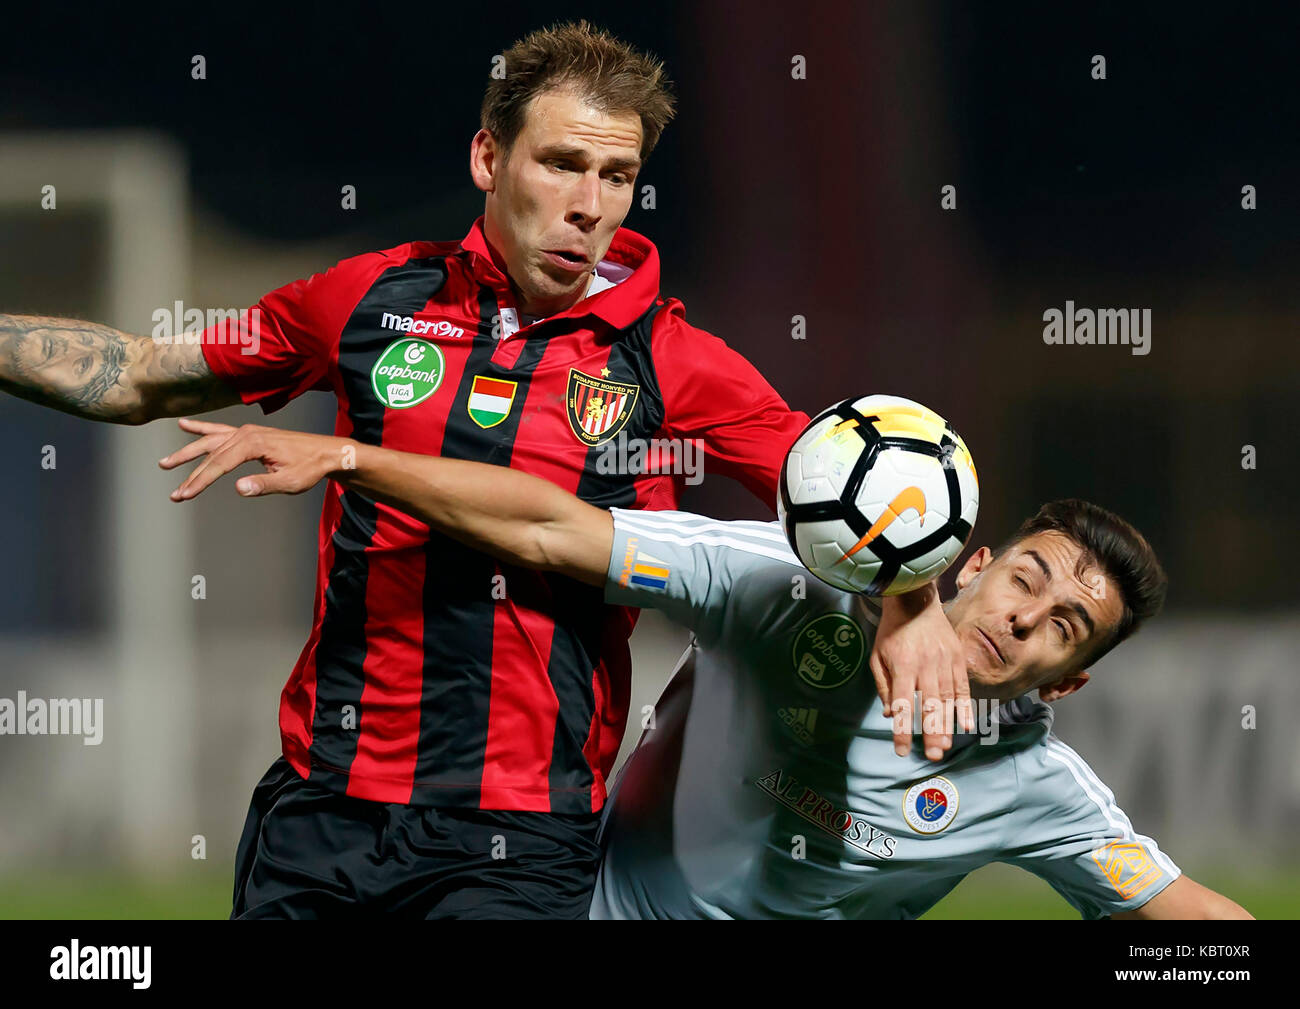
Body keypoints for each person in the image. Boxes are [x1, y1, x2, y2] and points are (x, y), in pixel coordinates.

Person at [0, 21, 967, 919]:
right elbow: (137, 373)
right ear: (488, 159)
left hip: (525, 830)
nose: (588, 205)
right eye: (560, 164)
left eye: (617, 175)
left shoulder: (674, 361)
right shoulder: (366, 299)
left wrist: (916, 605)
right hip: (324, 806)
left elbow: (862, 495)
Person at [159, 416, 1253, 920]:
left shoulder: (1035, 788)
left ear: (1065, 686)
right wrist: (353, 456)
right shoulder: (782, 586)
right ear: (969, 561)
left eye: (1064, 626)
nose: (1024, 620)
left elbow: (1191, 921)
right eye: (1028, 578)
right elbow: (552, 531)